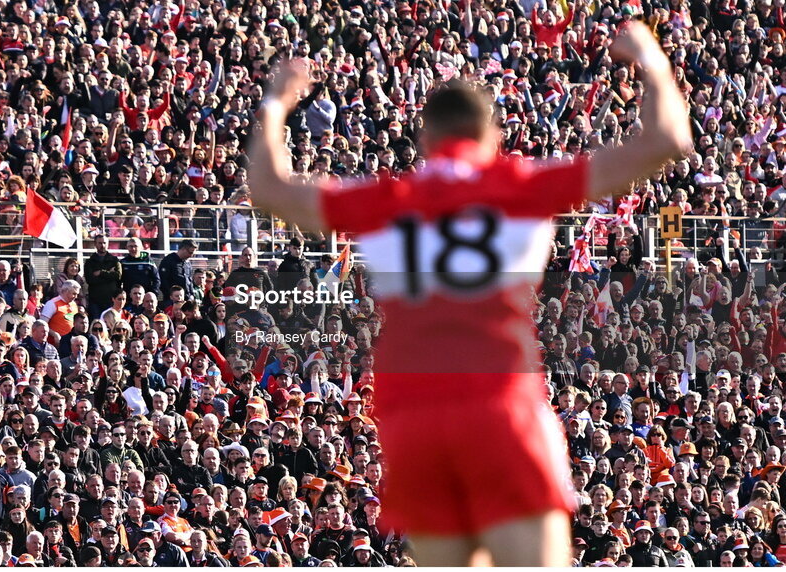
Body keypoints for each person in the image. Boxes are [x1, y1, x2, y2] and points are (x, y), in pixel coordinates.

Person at [246, 22, 692, 566]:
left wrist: (276, 100)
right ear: (493, 137)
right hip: (500, 405)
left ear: (425, 142)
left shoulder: (386, 198)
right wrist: (651, 59)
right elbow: (667, 141)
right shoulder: (521, 185)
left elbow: (268, 188)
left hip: (413, 421)